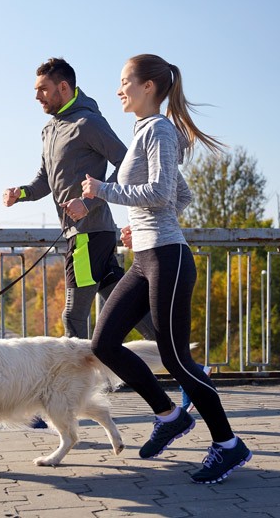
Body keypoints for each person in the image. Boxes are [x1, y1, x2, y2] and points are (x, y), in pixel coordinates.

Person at [81, 54, 252, 484]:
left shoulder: (158, 129)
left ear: (148, 87)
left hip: (168, 258)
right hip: (146, 256)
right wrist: (139, 227)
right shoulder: (146, 131)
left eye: (125, 82)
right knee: (104, 343)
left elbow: (160, 192)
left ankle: (228, 444)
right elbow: (181, 195)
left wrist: (103, 190)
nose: (119, 90)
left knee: (176, 358)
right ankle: (169, 415)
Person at [2, 57, 157, 343]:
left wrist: (88, 202)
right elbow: (45, 180)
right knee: (128, 309)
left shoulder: (88, 123)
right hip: (89, 234)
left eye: (43, 89)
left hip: (87, 235)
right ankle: (179, 358)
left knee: (73, 317)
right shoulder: (50, 130)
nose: (37, 96)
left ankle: (81, 376)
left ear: (63, 87)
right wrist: (20, 193)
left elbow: (127, 164)